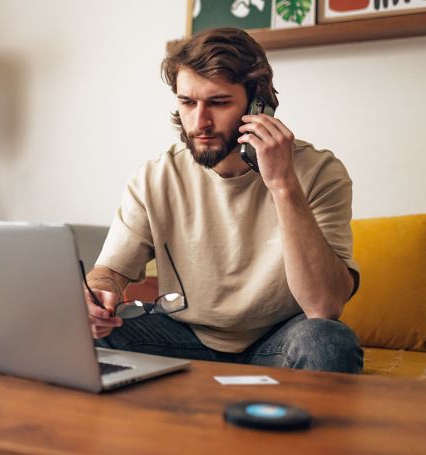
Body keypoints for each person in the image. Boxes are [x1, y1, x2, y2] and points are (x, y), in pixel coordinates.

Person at [84, 27, 363, 373]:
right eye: (187, 102)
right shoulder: (155, 177)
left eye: (218, 103)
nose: (199, 122)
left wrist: (283, 184)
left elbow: (325, 306)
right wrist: (97, 297)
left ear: (259, 105)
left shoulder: (320, 171)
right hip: (183, 335)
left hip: (279, 341)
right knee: (83, 335)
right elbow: (109, 273)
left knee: (329, 341)